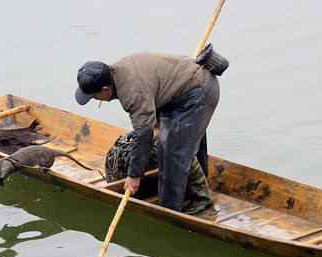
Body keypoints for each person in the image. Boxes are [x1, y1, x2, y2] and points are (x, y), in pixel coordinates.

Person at [75, 51, 220, 214]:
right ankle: (191, 186)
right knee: (176, 141)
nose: (96, 99)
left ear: (106, 89)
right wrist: (157, 117)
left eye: (94, 96)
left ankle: (198, 201)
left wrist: (134, 176)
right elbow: (152, 90)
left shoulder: (131, 92)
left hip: (199, 92)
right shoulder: (120, 69)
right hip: (184, 90)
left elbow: (143, 135)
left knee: (175, 150)